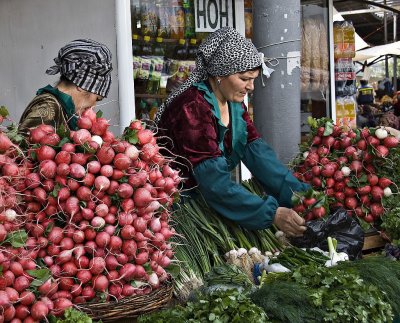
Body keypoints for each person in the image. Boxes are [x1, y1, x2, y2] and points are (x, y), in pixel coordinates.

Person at [155, 27, 309, 237]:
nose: (251, 87)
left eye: (253, 79)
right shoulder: (191, 107)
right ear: (220, 74)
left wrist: (300, 195)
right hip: (181, 212)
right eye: (245, 79)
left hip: (210, 204)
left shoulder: (234, 105)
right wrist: (271, 213)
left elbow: (258, 154)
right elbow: (214, 183)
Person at [18, 39, 113, 134]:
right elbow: (22, 146)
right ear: (83, 85)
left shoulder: (62, 110)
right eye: (97, 98)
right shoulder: (48, 108)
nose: (94, 106)